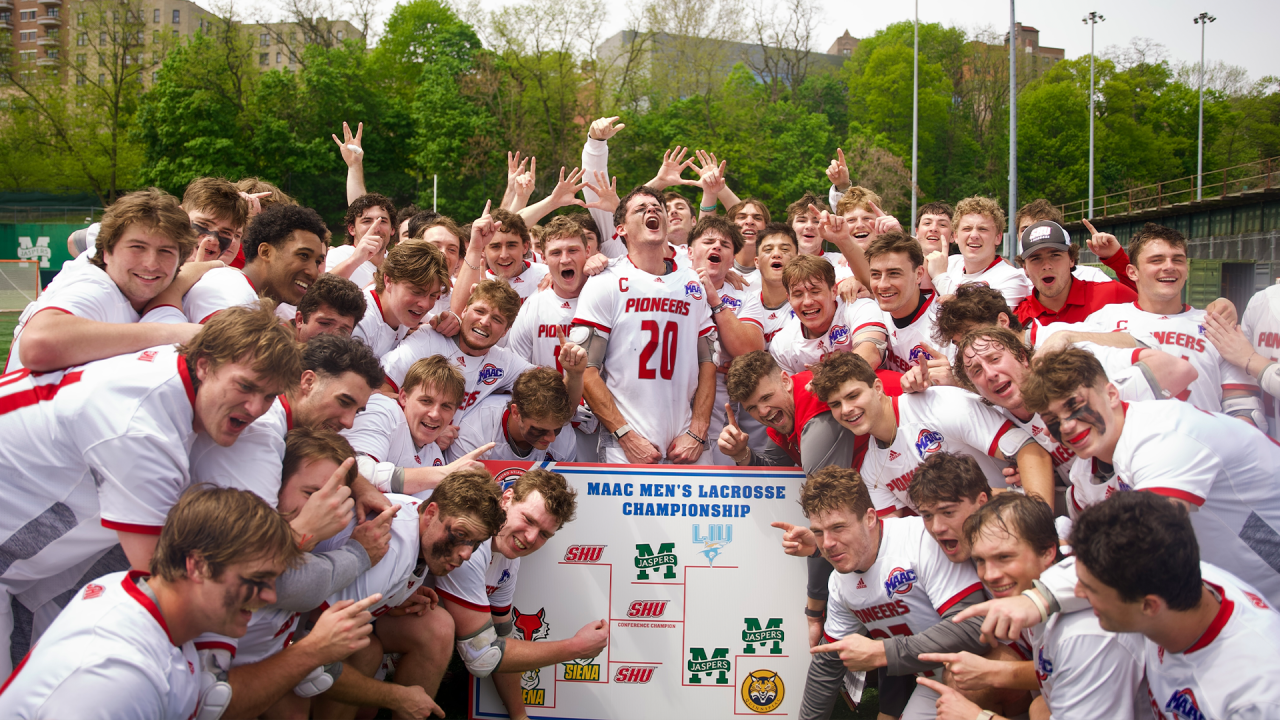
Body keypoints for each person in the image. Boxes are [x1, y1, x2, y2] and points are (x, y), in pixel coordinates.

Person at [0, 302, 300, 675]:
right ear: (204, 365)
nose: (257, 409)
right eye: (246, 387)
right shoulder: (143, 430)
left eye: (270, 396)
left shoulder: (167, 380)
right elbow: (167, 584)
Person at [0, 486, 308, 719]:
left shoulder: (144, 599)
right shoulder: (116, 677)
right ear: (197, 565)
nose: (270, 596)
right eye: (257, 580)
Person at [1020, 347, 1280, 603]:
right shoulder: (1085, 471)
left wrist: (1040, 599)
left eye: (1074, 406)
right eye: (1052, 418)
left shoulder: (1163, 436)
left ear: (1111, 394)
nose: (1066, 425)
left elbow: (1145, 542)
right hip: (1235, 597)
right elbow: (1092, 547)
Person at [195, 428, 393, 720]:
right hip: (210, 682)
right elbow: (293, 584)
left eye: (338, 501)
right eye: (312, 494)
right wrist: (358, 554)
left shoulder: (318, 530)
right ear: (276, 484)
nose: (325, 508)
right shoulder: (243, 526)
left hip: (265, 662)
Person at [915, 492, 1147, 720]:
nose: (990, 575)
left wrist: (977, 717)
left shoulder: (1082, 632)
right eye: (981, 560)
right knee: (1039, 708)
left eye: (1005, 557)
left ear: (1047, 552)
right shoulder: (1046, 585)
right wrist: (991, 672)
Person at [311, 469, 507, 719]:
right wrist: (397, 697)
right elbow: (314, 660)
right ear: (432, 513)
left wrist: (396, 596)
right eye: (460, 535)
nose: (466, 554)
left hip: (325, 614)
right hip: (278, 637)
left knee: (434, 628)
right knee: (363, 658)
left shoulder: (418, 517)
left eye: (475, 543)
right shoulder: (388, 550)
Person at [801, 466, 990, 720]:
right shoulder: (838, 582)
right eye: (818, 532)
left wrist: (884, 653)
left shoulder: (919, 538)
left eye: (838, 528)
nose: (827, 543)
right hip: (933, 683)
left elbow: (972, 627)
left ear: (869, 518)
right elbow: (827, 664)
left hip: (983, 671)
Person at [950, 325, 1198, 515]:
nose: (991, 374)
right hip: (1113, 506)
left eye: (994, 359)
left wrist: (1070, 336)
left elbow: (1182, 371)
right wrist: (1043, 478)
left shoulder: (1070, 376)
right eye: (977, 372)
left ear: (1022, 357)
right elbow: (1077, 495)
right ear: (974, 388)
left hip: (1170, 478)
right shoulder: (998, 426)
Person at [437, 469, 607, 720]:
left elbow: (501, 641)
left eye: (544, 534)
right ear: (506, 499)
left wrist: (519, 716)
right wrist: (576, 648)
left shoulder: (508, 558)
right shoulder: (473, 544)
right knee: (434, 628)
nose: (530, 538)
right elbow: (481, 657)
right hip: (375, 615)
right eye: (528, 519)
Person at [569, 185, 718, 464]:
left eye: (657, 207)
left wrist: (697, 431)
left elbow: (709, 360)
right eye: (641, 209)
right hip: (624, 445)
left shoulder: (692, 281)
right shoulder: (604, 280)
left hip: (688, 442)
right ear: (621, 229)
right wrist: (625, 435)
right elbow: (586, 369)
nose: (652, 210)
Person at [808, 351, 1055, 513]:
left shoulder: (939, 404)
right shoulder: (871, 471)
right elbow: (895, 539)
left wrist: (1037, 524)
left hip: (1017, 523)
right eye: (836, 404)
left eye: (853, 396)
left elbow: (1032, 452)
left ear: (878, 387)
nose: (847, 410)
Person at [6, 188, 203, 373]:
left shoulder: (126, 285)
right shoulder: (95, 286)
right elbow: (37, 345)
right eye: (137, 247)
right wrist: (171, 333)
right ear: (107, 251)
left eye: (165, 251)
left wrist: (212, 265)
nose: (151, 264)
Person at [1082, 222, 1261, 422]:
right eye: (1156, 260)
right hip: (1125, 449)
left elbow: (1244, 407)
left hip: (1200, 449)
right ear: (1132, 272)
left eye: (1177, 260)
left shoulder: (1215, 324)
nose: (1169, 267)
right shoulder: (1103, 320)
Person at [189, 333, 385, 511]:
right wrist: (359, 547)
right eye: (343, 402)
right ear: (308, 382)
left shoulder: (283, 417)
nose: (349, 422)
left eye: (357, 411)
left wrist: (361, 486)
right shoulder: (262, 433)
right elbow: (254, 545)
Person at [380, 277, 557, 423]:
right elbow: (377, 392)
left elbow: (553, 390)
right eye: (479, 311)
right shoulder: (428, 339)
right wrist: (426, 424)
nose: (485, 322)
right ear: (464, 311)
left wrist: (574, 372)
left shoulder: (505, 362)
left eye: (496, 319)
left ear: (505, 331)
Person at [344, 356, 494, 498]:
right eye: (426, 401)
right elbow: (355, 472)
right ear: (403, 397)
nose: (435, 414)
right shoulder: (383, 409)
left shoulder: (433, 453)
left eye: (446, 406)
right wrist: (442, 473)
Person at [688, 214, 766, 463]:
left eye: (725, 245)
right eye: (708, 241)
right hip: (664, 411)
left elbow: (751, 351)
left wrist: (716, 301)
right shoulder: (666, 285)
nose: (716, 246)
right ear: (689, 252)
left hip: (718, 425)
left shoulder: (746, 298)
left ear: (732, 259)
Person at [180, 204, 329, 324]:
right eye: (303, 255)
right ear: (265, 252)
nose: (313, 272)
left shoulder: (249, 298)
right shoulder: (229, 288)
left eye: (317, 262)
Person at [769, 254, 886, 374]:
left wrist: (826, 380)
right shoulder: (781, 345)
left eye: (815, 292)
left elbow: (870, 353)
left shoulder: (858, 305)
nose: (808, 302)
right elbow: (788, 390)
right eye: (798, 294)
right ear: (789, 299)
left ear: (834, 291)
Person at [1013, 220, 1136, 326]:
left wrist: (1117, 258)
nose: (1046, 266)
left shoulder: (1110, 295)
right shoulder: (1017, 320)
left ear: (1071, 259)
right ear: (1024, 268)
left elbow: (1151, 304)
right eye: (1036, 259)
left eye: (1055, 255)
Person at [451, 367, 579, 463]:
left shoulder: (565, 437)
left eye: (557, 429)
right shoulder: (475, 431)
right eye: (540, 430)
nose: (552, 438)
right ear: (516, 413)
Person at [351, 240, 453, 358]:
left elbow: (437, 320)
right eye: (416, 292)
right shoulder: (361, 325)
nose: (425, 305)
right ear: (388, 280)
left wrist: (451, 321)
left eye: (433, 296)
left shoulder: (399, 305)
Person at [927, 196, 1033, 309]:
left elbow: (984, 322)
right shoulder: (948, 263)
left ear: (998, 237)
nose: (974, 236)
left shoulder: (1012, 278)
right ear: (955, 236)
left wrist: (940, 277)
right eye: (967, 229)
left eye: (983, 229)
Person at [866, 232, 947, 375]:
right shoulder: (871, 311)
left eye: (894, 273)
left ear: (919, 274)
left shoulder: (944, 326)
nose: (883, 285)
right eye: (876, 275)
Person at [1206, 283, 1280, 439]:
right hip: (1268, 448)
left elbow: (1243, 357)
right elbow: (1241, 376)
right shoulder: (1261, 302)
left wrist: (1251, 360)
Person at [1011, 199, 1124, 284]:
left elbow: (1135, 302)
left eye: (1044, 228)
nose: (1034, 234)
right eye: (1025, 230)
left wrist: (1116, 257)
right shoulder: (1012, 282)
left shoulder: (1090, 277)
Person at [737, 222, 798, 349]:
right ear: (757, 262)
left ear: (797, 259)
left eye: (785, 249)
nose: (776, 254)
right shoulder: (742, 305)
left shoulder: (810, 304)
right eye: (768, 250)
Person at [327, 193, 397, 289]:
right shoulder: (338, 256)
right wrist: (354, 261)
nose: (376, 227)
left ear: (392, 229)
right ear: (352, 229)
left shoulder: (397, 264)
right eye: (367, 221)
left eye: (382, 221)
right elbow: (316, 292)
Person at [480, 209, 549, 303]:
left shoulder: (546, 275)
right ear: (483, 250)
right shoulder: (475, 284)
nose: (504, 255)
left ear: (525, 247)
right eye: (495, 246)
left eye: (511, 245)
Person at [293, 273, 367, 342]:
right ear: (300, 320)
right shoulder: (282, 350)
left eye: (344, 330)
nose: (334, 336)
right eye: (325, 323)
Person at [727, 198, 771, 280]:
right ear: (731, 225)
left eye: (757, 218)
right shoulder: (718, 266)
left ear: (766, 227)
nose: (749, 221)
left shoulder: (775, 269)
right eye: (741, 217)